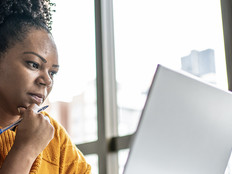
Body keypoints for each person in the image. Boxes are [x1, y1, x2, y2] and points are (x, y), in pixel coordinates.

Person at [0, 0, 91, 173]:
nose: (47, 81)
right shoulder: (38, 138)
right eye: (33, 64)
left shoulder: (55, 137)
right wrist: (26, 149)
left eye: (52, 73)